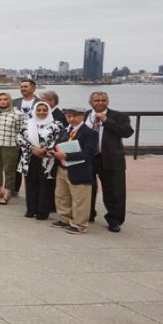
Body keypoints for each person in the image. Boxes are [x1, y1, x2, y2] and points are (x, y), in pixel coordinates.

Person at [86, 91, 134, 232]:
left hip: (111, 158)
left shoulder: (119, 116)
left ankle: (114, 219)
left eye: (103, 100)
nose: (100, 103)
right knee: (87, 187)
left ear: (108, 102)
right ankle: (88, 213)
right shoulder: (85, 115)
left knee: (114, 190)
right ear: (91, 102)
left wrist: (107, 120)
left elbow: (127, 132)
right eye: (97, 100)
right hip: (89, 157)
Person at [50, 106, 97, 234]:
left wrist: (67, 156)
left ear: (82, 116)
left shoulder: (89, 133)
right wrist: (54, 152)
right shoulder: (64, 130)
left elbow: (89, 152)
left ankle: (79, 224)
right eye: (69, 116)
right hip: (63, 167)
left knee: (80, 198)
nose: (72, 119)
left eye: (75, 116)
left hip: (79, 169)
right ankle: (64, 218)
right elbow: (58, 145)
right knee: (62, 195)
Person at [18, 101, 61, 220]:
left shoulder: (56, 125)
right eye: (39, 110)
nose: (41, 112)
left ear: (48, 111)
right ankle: (31, 209)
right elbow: (20, 138)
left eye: (44, 110)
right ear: (34, 111)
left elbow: (58, 140)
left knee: (45, 185)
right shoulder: (27, 123)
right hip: (30, 157)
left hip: (47, 159)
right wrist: (33, 148)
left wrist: (44, 149)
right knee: (31, 184)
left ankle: (43, 212)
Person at [0, 92, 23, 205]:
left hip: (10, 143)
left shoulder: (17, 113)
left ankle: (7, 193)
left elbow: (20, 130)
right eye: (0, 99)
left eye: (5, 99)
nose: (3, 101)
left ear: (9, 100)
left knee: (9, 169)